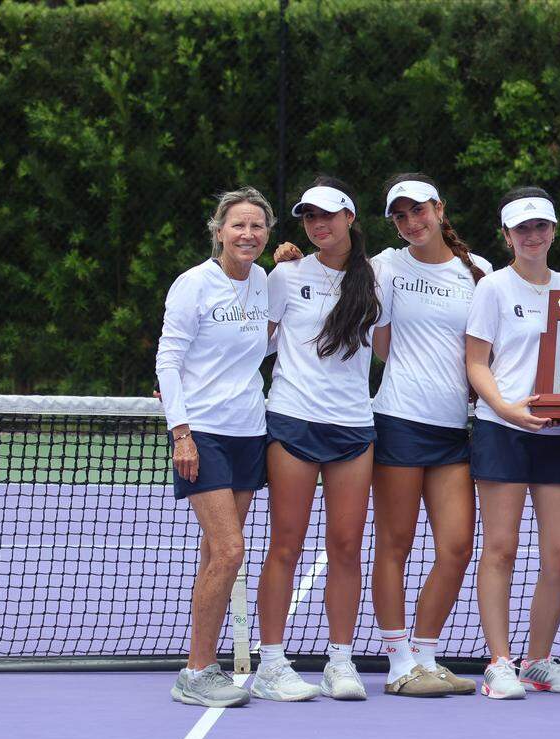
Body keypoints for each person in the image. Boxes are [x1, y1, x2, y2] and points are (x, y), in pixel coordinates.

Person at [251, 177, 387, 702]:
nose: (317, 225)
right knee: (285, 543)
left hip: (354, 427)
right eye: (309, 217)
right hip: (292, 421)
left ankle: (340, 660)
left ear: (350, 218)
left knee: (347, 548)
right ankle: (270, 662)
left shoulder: (378, 278)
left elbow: (395, 344)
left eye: (327, 215)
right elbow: (252, 343)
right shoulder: (283, 275)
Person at [370, 174, 492, 696]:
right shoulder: (386, 266)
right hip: (398, 419)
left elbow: (483, 350)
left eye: (418, 211)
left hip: (453, 431)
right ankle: (398, 663)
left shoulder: (480, 272)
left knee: (457, 546)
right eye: (400, 216)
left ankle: (425, 653)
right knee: (394, 544)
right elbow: (379, 343)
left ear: (439, 209)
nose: (410, 223)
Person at [157, 187, 275, 707]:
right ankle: (196, 670)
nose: (248, 234)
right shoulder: (193, 285)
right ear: (219, 231)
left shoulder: (265, 281)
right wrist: (180, 432)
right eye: (238, 225)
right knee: (230, 551)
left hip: (250, 430)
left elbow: (266, 341)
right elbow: (168, 359)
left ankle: (203, 663)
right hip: (201, 433)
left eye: (257, 226)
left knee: (215, 555)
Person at [464, 187, 560, 699]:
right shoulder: (491, 287)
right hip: (502, 428)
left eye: (540, 226)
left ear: (553, 231)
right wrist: (509, 409)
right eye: (522, 228)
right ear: (507, 236)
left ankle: (538, 659)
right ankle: (500, 661)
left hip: (559, 435)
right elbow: (475, 363)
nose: (532, 236)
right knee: (502, 549)